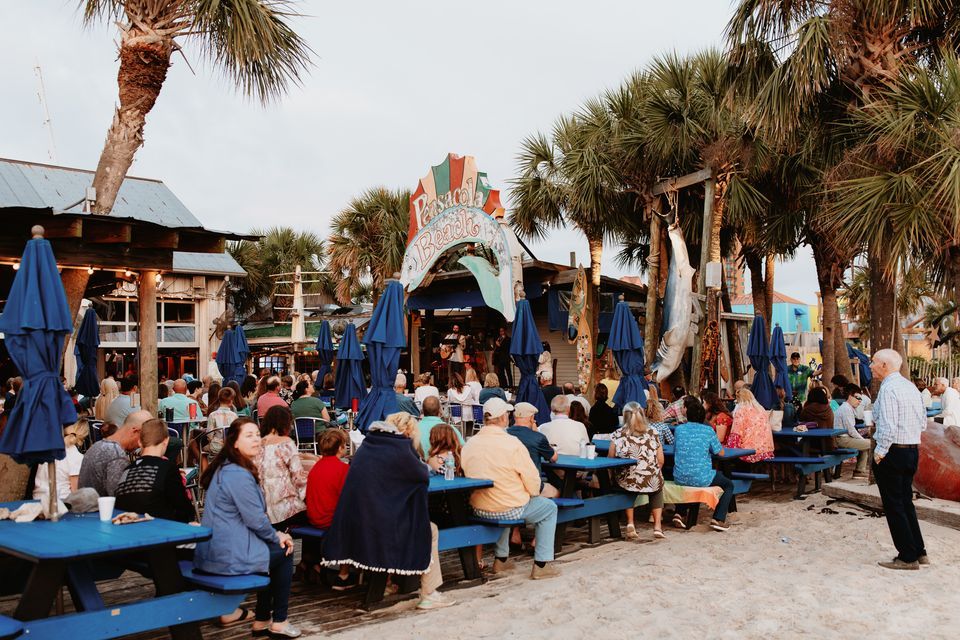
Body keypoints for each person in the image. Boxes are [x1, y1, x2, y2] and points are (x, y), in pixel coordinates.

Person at [322, 415, 455, 610]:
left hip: (359, 522)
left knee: (398, 516)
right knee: (430, 530)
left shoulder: (369, 445)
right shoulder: (399, 448)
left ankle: (387, 583)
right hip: (381, 528)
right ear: (408, 432)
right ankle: (429, 593)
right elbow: (420, 475)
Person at [195, 418, 299, 635]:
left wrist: (273, 535)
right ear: (234, 442)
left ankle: (262, 619)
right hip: (227, 555)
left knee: (275, 550)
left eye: (256, 434)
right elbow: (255, 519)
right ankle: (278, 620)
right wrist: (277, 535)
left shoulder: (228, 468)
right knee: (286, 549)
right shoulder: (237, 474)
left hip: (218, 549)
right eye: (248, 435)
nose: (256, 440)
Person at [461, 398, 560, 579]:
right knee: (549, 508)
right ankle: (542, 564)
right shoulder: (512, 444)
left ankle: (502, 560)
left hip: (479, 507)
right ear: (504, 418)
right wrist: (530, 494)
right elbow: (532, 482)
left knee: (504, 499)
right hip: (507, 507)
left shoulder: (469, 444)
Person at [869, 349, 928, 570]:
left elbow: (888, 427)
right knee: (905, 501)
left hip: (893, 450)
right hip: (912, 449)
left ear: (884, 365)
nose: (871, 366)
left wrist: (880, 453)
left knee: (894, 504)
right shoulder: (910, 387)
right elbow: (923, 422)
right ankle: (919, 550)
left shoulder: (889, 389)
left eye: (873, 362)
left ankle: (907, 556)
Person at [114, 418, 195, 522]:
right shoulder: (167, 468)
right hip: (160, 528)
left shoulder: (127, 469)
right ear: (166, 441)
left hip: (126, 527)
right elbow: (184, 509)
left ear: (139, 442)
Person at [672, 397, 734, 532]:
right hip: (702, 477)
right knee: (728, 485)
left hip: (680, 476)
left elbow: (675, 448)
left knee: (688, 479)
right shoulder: (708, 431)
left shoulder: (679, 430)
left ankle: (680, 513)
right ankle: (718, 518)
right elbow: (721, 452)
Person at [304, 429, 353, 589]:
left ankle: (314, 564)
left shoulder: (316, 467)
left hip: (313, 516)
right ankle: (343, 574)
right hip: (329, 519)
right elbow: (347, 498)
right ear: (340, 448)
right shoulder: (342, 469)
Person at [608, 405, 665, 540]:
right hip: (651, 478)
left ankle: (630, 523)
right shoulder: (653, 432)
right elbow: (661, 459)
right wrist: (651, 472)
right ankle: (657, 526)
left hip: (628, 479)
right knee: (657, 488)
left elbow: (610, 458)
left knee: (627, 486)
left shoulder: (618, 434)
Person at [79, 410, 150, 496]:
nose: (141, 445)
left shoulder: (96, 446)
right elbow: (120, 497)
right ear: (135, 431)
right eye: (142, 439)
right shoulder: (116, 455)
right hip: (101, 508)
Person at [258, 405, 307, 530]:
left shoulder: (257, 444)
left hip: (262, 509)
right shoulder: (285, 442)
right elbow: (299, 480)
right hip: (286, 510)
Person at [506, 402, 558, 496]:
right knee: (556, 492)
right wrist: (536, 431)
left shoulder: (504, 433)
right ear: (531, 418)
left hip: (509, 483)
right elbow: (554, 458)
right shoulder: (538, 437)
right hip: (531, 485)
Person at [33, 419, 89, 502]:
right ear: (83, 437)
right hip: (62, 502)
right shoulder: (76, 456)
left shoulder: (48, 450)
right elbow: (76, 492)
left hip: (37, 499)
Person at [726, 388, 774, 463]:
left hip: (749, 452)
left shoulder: (741, 410)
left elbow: (736, 433)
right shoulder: (761, 409)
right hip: (766, 451)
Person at [833, 383, 870, 478]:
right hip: (842, 439)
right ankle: (863, 471)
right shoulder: (846, 409)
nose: (859, 401)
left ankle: (860, 471)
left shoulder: (848, 408)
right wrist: (862, 439)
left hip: (844, 438)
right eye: (857, 398)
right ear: (850, 396)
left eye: (861, 399)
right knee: (871, 444)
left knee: (865, 444)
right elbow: (851, 430)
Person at [205, 387, 240, 456]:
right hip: (231, 447)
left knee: (201, 449)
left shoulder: (213, 415)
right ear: (231, 401)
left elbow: (209, 436)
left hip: (216, 446)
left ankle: (205, 466)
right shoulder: (234, 416)